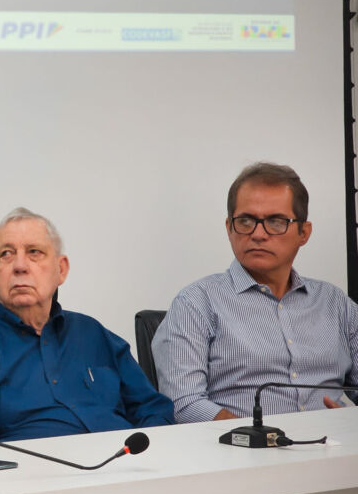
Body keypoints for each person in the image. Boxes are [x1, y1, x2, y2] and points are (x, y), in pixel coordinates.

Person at [0, 207, 173, 445]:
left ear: (60, 269)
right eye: (6, 254)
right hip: (32, 480)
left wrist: (148, 456)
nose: (19, 266)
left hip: (123, 471)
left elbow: (153, 410)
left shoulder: (92, 333)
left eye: (34, 252)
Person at [153, 162, 358, 422]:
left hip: (336, 449)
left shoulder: (335, 303)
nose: (258, 234)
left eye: (275, 221)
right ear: (229, 228)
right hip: (242, 453)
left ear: (303, 232)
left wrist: (350, 426)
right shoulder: (196, 303)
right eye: (246, 221)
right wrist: (256, 436)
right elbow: (183, 404)